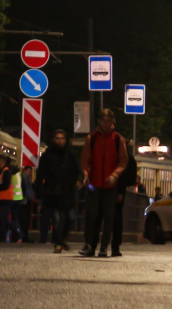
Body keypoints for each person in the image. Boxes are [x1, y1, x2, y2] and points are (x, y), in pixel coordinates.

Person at [80, 108, 129, 257]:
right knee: (91, 216)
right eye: (103, 120)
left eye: (108, 120)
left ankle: (104, 246)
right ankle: (89, 244)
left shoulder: (117, 139)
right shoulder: (92, 138)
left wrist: (115, 175)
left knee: (109, 217)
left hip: (110, 185)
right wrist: (86, 174)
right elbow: (85, 159)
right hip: (94, 184)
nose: (105, 123)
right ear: (99, 121)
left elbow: (123, 161)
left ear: (112, 121)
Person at [35, 128, 81, 253]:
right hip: (53, 193)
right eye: (57, 138)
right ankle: (58, 243)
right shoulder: (47, 156)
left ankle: (61, 239)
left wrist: (73, 182)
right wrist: (40, 194)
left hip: (67, 192)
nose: (60, 141)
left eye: (62, 138)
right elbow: (40, 175)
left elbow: (76, 171)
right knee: (57, 219)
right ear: (53, 140)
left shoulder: (69, 155)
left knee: (70, 217)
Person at [110, 146, 139, 257]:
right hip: (118, 191)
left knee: (103, 217)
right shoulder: (128, 157)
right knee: (117, 219)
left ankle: (99, 246)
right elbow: (130, 178)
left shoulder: (111, 154)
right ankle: (115, 247)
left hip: (106, 189)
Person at [0, 154, 17, 242]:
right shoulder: (1, 171)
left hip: (6, 199)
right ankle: (2, 237)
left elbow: (6, 185)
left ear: (1, 162)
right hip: (0, 199)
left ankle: (17, 232)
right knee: (0, 219)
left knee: (3, 218)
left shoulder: (6, 171)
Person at [18, 166, 36, 242]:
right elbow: (27, 190)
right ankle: (24, 237)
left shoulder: (24, 178)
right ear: (25, 171)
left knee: (24, 221)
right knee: (24, 221)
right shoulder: (24, 178)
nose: (30, 173)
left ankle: (23, 237)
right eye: (29, 171)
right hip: (24, 201)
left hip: (23, 201)